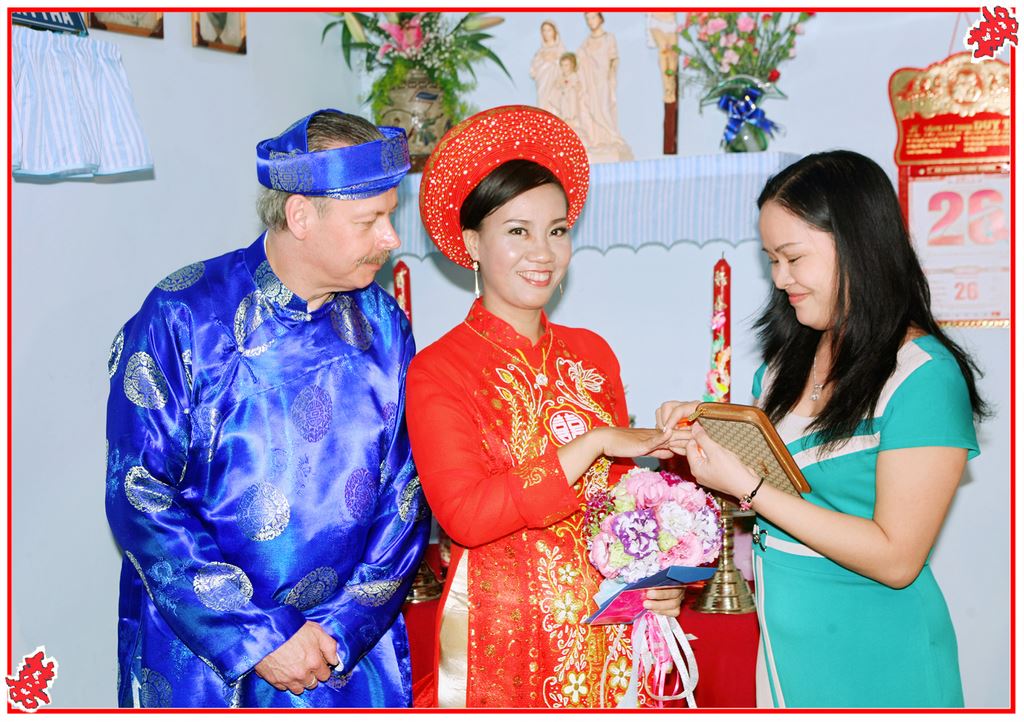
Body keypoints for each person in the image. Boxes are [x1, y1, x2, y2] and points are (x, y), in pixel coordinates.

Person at [105, 109, 431, 708]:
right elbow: (139, 493)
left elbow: (406, 496)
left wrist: (336, 632)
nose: (391, 239)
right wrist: (257, 638)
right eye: (371, 221)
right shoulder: (182, 317)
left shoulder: (385, 328)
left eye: (390, 215)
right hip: (205, 664)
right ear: (301, 215)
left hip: (343, 661)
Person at [657, 150, 986, 708]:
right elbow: (777, 491)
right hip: (789, 653)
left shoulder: (923, 377)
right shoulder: (781, 369)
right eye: (771, 260)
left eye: (792, 257)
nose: (779, 278)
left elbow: (897, 559)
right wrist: (706, 434)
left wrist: (750, 488)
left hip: (880, 656)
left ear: (856, 245)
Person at [407, 105, 688, 708]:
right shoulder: (438, 370)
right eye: (518, 231)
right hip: (502, 642)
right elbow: (465, 517)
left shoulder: (593, 354)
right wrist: (593, 443)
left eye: (557, 230)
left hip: (607, 639)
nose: (544, 251)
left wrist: (658, 577)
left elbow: (622, 509)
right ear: (471, 242)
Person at [575, 12, 633, 162]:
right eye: (588, 19)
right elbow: (579, 60)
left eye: (593, 17)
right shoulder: (586, 43)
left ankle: (611, 137)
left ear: (601, 18)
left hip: (603, 81)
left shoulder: (609, 38)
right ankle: (596, 140)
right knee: (591, 109)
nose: (591, 21)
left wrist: (611, 75)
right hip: (590, 82)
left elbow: (614, 58)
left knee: (605, 109)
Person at [529, 20, 566, 115]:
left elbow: (565, 67)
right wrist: (542, 61)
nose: (546, 33)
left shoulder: (560, 49)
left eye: (549, 30)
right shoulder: (540, 51)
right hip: (542, 83)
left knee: (554, 104)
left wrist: (554, 60)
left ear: (554, 32)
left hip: (555, 82)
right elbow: (533, 70)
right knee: (543, 104)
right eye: (544, 30)